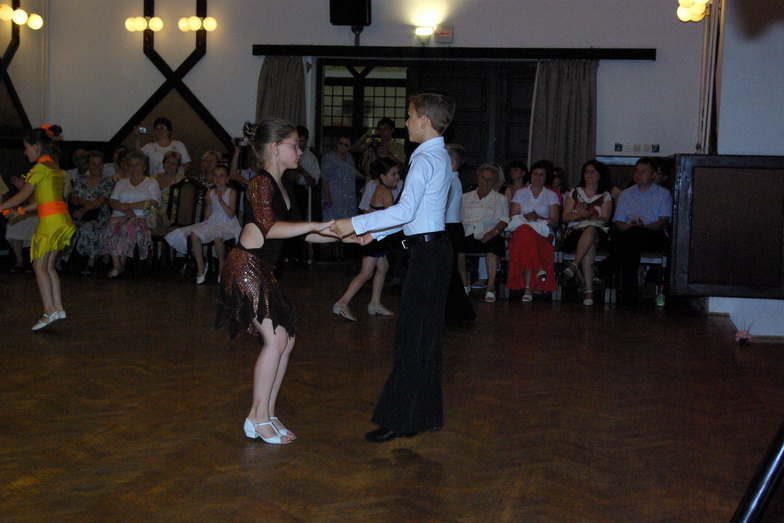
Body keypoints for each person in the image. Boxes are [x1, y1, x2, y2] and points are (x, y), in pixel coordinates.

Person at [331, 91, 457, 443]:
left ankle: (402, 420)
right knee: (424, 338)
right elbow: (416, 215)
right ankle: (425, 414)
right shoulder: (437, 156)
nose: (406, 121)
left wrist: (355, 223)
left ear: (424, 121)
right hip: (433, 252)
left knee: (411, 339)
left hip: (428, 256)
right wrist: (373, 233)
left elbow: (406, 211)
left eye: (410, 115)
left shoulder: (426, 158)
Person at [216, 119, 340, 445]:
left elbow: (302, 234)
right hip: (245, 268)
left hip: (263, 270)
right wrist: (315, 224)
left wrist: (347, 237)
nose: (299, 150)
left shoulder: (283, 186)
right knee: (276, 340)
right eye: (294, 145)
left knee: (287, 339)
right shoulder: (260, 184)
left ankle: (267, 414)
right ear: (274, 148)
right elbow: (269, 228)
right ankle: (256, 418)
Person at [0, 126, 75, 330]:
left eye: (26, 147)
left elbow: (22, 195)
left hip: (50, 222)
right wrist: (21, 211)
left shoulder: (39, 169)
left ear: (35, 147)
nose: (25, 152)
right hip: (62, 219)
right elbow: (45, 200)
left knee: (38, 266)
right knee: (49, 265)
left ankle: (49, 311)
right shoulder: (54, 168)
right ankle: (57, 308)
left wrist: (2, 206)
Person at [332, 157, 401, 321]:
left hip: (375, 237)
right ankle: (342, 303)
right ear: (383, 176)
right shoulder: (386, 192)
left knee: (383, 267)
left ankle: (375, 303)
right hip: (374, 239)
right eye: (393, 174)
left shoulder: (378, 188)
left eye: (398, 174)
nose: (397, 177)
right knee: (366, 273)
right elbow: (392, 218)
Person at [611, 157, 672, 308]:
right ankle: (629, 294)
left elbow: (662, 222)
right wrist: (629, 227)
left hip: (653, 234)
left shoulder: (663, 194)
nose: (638, 174)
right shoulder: (626, 194)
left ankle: (609, 267)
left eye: (643, 171)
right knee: (628, 240)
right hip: (630, 234)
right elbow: (618, 222)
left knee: (630, 238)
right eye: (637, 171)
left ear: (653, 175)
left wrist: (642, 226)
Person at [165, 164, 240, 284]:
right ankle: (201, 269)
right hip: (212, 222)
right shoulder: (210, 192)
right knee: (194, 235)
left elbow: (231, 214)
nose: (218, 178)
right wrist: (209, 203)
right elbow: (207, 216)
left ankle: (222, 268)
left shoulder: (231, 192)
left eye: (221, 176)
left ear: (227, 178)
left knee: (217, 236)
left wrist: (221, 201)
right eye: (215, 175)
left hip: (227, 223)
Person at [100, 149, 162, 278]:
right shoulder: (121, 182)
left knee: (126, 228)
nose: (134, 168)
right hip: (119, 215)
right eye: (131, 165)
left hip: (141, 216)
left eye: (137, 164)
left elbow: (153, 202)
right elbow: (112, 201)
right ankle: (117, 264)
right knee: (111, 227)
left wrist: (129, 206)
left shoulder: (151, 182)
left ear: (144, 167)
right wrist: (124, 210)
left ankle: (119, 265)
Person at [561, 160, 613, 306]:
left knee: (591, 229)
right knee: (589, 244)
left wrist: (590, 217)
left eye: (593, 172)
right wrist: (579, 215)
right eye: (587, 171)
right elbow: (564, 217)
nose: (589, 174)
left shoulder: (605, 195)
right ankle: (588, 291)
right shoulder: (575, 192)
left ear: (600, 175)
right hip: (576, 231)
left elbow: (605, 220)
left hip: (598, 232)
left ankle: (575, 264)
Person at [507, 160, 560, 301]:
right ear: (530, 175)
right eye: (535, 173)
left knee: (526, 236)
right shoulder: (520, 193)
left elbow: (555, 221)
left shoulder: (551, 195)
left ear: (546, 177)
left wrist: (539, 217)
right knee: (525, 232)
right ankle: (535, 275)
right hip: (523, 231)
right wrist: (526, 217)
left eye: (541, 174)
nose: (537, 177)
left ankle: (529, 286)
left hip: (543, 232)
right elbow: (513, 216)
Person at [458, 163, 510, 303]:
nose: (485, 182)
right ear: (478, 178)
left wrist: (493, 232)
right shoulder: (465, 197)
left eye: (489, 179)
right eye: (483, 178)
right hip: (468, 232)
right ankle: (464, 286)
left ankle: (490, 287)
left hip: (489, 232)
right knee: (457, 245)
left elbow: (504, 220)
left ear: (494, 182)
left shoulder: (500, 199)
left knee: (493, 245)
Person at [64, 150, 115, 275]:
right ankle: (64, 262)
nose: (96, 167)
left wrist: (83, 208)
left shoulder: (108, 181)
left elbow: (101, 201)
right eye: (93, 164)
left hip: (99, 216)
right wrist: (86, 203)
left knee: (88, 228)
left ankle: (90, 262)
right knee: (67, 227)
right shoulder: (81, 180)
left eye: (99, 164)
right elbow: (73, 198)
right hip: (80, 214)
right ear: (88, 165)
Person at [444, 143, 475, 323]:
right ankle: (458, 312)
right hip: (452, 228)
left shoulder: (450, 181)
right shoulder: (452, 180)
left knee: (449, 271)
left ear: (451, 161)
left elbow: (443, 206)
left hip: (450, 228)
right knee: (449, 271)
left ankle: (459, 312)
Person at [321, 134, 361, 221]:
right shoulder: (329, 158)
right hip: (334, 196)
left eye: (346, 145)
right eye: (341, 143)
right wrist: (327, 196)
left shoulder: (349, 158)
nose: (343, 146)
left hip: (349, 198)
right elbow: (324, 178)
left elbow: (353, 172)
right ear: (337, 144)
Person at [4, 175, 39, 273]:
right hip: (31, 210)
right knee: (15, 223)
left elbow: (40, 202)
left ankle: (37, 262)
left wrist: (23, 188)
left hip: (48, 213)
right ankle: (20, 261)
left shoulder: (46, 173)